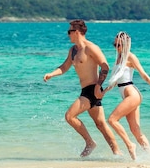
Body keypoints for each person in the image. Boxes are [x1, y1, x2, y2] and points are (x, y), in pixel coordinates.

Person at [43, 20, 124, 158]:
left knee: (69, 116)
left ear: (76, 32)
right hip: (85, 90)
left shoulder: (90, 48)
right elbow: (64, 67)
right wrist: (51, 74)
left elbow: (105, 67)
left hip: (92, 89)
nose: (68, 34)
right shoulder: (73, 50)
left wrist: (98, 87)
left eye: (69, 32)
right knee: (100, 124)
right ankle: (117, 152)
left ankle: (90, 142)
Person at [101, 31, 150, 160]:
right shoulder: (119, 57)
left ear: (125, 44)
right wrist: (104, 92)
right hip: (126, 94)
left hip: (132, 94)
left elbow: (144, 75)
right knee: (135, 130)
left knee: (112, 120)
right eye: (114, 45)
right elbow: (116, 81)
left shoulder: (130, 57)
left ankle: (130, 145)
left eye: (118, 45)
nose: (116, 47)